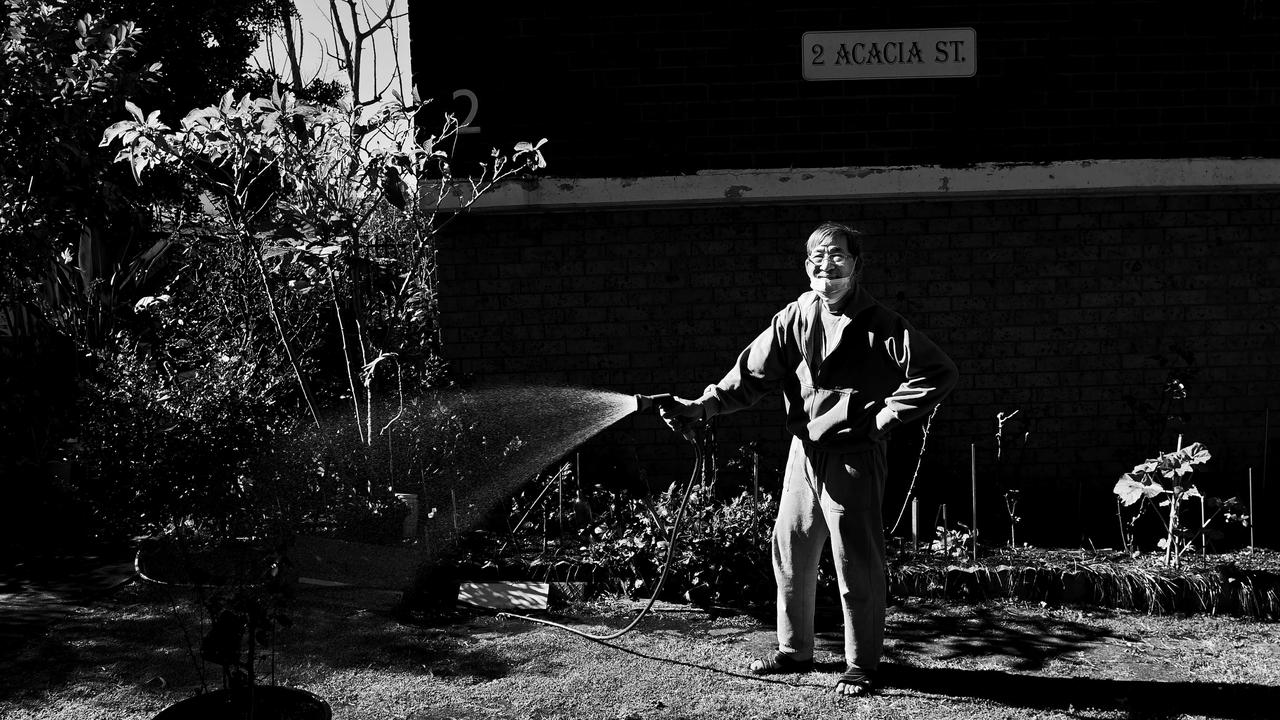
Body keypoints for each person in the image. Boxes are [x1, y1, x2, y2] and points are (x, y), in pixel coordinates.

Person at [659, 221, 958, 696]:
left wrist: (885, 418)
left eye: (838, 255)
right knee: (792, 553)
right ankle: (794, 651)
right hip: (804, 454)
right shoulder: (795, 316)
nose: (827, 265)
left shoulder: (882, 324)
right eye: (817, 257)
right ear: (806, 266)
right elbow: (751, 375)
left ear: (856, 265)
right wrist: (703, 406)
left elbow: (938, 371)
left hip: (855, 456)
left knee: (854, 562)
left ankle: (861, 664)